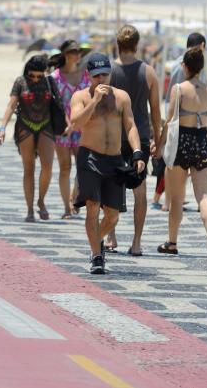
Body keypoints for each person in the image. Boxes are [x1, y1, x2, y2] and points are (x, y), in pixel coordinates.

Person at [68, 53, 145, 274]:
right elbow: (75, 123)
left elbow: (130, 126)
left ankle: (96, 240)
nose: (101, 80)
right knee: (92, 207)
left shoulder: (121, 97)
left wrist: (138, 152)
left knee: (112, 215)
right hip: (90, 157)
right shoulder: (80, 97)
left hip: (114, 159)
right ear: (88, 76)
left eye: (104, 75)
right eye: (96, 76)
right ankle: (97, 256)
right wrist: (94, 101)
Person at [158, 47, 207, 258]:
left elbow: (169, 121)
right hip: (202, 139)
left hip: (181, 142)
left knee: (176, 197)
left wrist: (158, 145)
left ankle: (172, 242)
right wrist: (203, 139)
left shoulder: (179, 89)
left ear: (184, 66)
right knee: (203, 195)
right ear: (201, 68)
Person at [106, 25, 162, 256]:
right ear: (137, 45)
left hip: (114, 137)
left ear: (117, 45)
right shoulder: (148, 72)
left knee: (111, 187)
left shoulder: (109, 71)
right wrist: (158, 139)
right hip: (140, 137)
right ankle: (137, 243)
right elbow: (155, 111)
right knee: (139, 192)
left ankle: (111, 237)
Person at [0, 54, 56, 222]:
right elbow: (11, 105)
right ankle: (30, 209)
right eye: (32, 75)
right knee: (28, 168)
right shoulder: (20, 82)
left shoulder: (49, 81)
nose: (36, 79)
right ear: (27, 71)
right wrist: (2, 128)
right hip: (25, 127)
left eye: (40, 75)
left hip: (46, 126)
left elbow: (59, 104)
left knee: (47, 166)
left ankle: (41, 201)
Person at [152, 32, 207, 211]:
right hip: (180, 125)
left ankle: (169, 199)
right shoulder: (184, 66)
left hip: (179, 123)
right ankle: (166, 201)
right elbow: (174, 99)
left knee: (173, 164)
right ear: (202, 46)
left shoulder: (183, 65)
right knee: (171, 164)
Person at [51, 40, 89, 219]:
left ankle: (75, 199)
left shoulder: (86, 76)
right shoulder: (55, 77)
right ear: (66, 54)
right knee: (65, 167)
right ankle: (67, 207)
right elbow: (52, 104)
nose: (77, 55)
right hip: (62, 129)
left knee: (82, 167)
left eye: (78, 52)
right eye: (74, 51)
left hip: (83, 127)